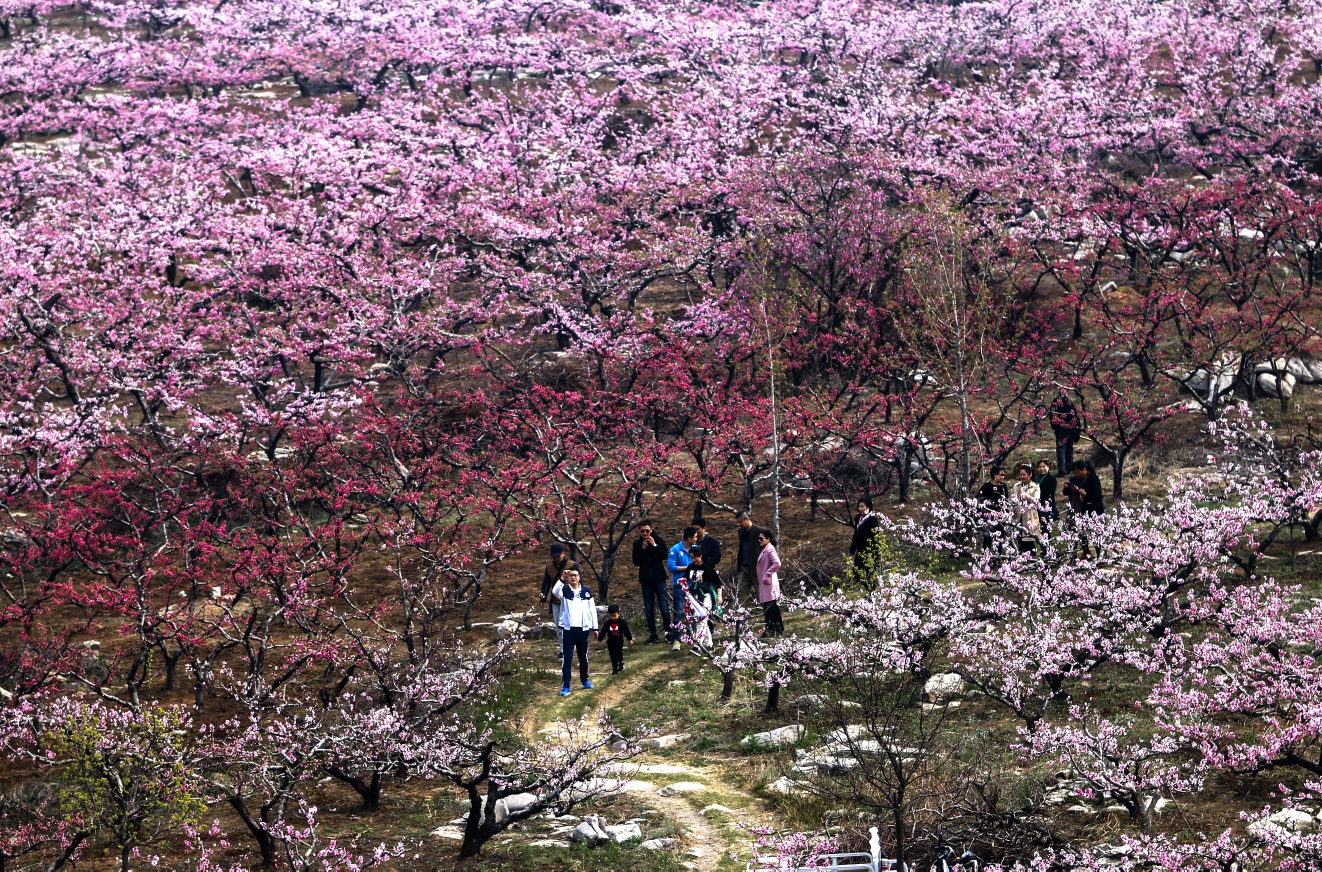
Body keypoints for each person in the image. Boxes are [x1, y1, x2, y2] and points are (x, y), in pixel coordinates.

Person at [550, 569, 597, 696]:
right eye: (570, 575)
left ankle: (585, 680)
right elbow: (554, 592)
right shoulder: (564, 591)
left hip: (583, 629)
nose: (573, 577)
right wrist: (562, 578)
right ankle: (566, 685)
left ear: (579, 577)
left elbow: (592, 610)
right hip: (569, 629)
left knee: (583, 656)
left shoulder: (586, 592)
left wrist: (595, 627)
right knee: (567, 658)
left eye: (575, 575)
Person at [631, 522, 670, 644]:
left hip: (659, 579)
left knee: (664, 608)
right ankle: (653, 634)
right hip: (646, 581)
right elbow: (636, 561)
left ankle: (669, 633)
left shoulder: (658, 540)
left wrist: (654, 545)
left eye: (647, 531)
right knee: (649, 609)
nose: (644, 533)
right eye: (642, 531)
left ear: (651, 530)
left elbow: (664, 555)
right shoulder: (637, 544)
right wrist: (642, 549)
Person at [539, 544, 578, 659]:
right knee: (559, 626)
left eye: (557, 556)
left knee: (571, 624)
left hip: (570, 600)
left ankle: (572, 646)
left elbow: (579, 581)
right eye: (553, 556)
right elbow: (546, 583)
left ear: (563, 554)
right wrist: (543, 598)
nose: (555, 558)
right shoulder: (549, 567)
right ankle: (563, 649)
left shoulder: (572, 564)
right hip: (556, 600)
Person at [681, 547, 722, 653]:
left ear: (701, 555)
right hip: (694, 597)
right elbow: (685, 578)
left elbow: (718, 584)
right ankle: (710, 645)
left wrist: (719, 596)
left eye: (695, 557)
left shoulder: (708, 568)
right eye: (692, 558)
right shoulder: (690, 567)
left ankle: (698, 646)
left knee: (701, 619)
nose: (693, 560)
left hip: (706, 596)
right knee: (702, 621)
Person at [666, 527, 698, 651]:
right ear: (689, 538)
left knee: (693, 612)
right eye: (695, 537)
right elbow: (671, 567)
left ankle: (693, 638)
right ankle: (677, 639)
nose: (696, 539)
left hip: (693, 585)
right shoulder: (675, 549)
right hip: (679, 585)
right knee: (679, 612)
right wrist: (687, 568)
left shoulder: (696, 549)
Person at [755, 530, 783, 636]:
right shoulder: (766, 549)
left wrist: (767, 574)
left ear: (768, 539)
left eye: (761, 538)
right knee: (771, 607)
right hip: (766, 583)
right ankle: (775, 628)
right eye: (758, 538)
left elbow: (777, 563)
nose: (759, 540)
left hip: (769, 583)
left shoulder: (770, 549)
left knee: (770, 607)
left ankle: (772, 629)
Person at [735, 511, 769, 600]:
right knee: (741, 593)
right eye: (737, 522)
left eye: (740, 522)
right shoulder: (740, 531)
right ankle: (741, 612)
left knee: (761, 593)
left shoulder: (760, 532)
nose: (739, 524)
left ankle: (768, 612)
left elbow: (768, 549)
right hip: (743, 567)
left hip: (757, 568)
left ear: (747, 519)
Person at [1010, 464, 1041, 552]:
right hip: (1017, 515)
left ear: (1030, 474)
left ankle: (1031, 560)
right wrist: (1012, 510)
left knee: (1029, 540)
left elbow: (1036, 500)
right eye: (1021, 475)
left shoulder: (1035, 486)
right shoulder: (1016, 486)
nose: (1022, 477)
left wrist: (1025, 495)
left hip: (1029, 516)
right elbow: (1012, 499)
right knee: (1019, 539)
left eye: (1024, 475)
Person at [976, 467, 1009, 548]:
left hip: (1000, 515)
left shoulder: (1003, 486)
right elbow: (978, 499)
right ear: (995, 475)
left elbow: (1006, 500)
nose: (1003, 477)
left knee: (999, 537)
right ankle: (986, 556)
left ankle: (998, 558)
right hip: (988, 515)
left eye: (1004, 475)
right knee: (987, 537)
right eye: (1001, 475)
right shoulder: (986, 486)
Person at [1050, 392, 1081, 476]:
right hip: (1070, 429)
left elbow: (1052, 416)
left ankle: (1062, 470)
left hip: (1061, 430)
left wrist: (1055, 428)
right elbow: (1075, 416)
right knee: (1069, 449)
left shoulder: (1055, 403)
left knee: (1061, 450)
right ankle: (1069, 468)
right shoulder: (1070, 402)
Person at [597, 605, 633, 674]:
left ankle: (621, 662)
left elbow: (626, 631)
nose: (613, 618)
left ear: (618, 614)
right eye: (611, 616)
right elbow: (603, 631)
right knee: (612, 654)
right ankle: (615, 668)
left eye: (614, 615)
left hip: (619, 640)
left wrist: (629, 639)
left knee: (617, 652)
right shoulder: (608, 623)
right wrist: (600, 639)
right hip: (610, 641)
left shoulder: (621, 622)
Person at [849, 497, 882, 571]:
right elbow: (856, 535)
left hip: (869, 551)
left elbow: (874, 537)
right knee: (856, 572)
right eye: (859, 506)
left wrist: (875, 555)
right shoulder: (858, 518)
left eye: (862, 506)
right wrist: (852, 550)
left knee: (867, 574)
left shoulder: (872, 520)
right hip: (860, 549)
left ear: (868, 507)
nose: (860, 508)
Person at [1034, 459, 1058, 525]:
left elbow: (1050, 493)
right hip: (1036, 503)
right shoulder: (1036, 478)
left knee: (1045, 525)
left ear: (1048, 467)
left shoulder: (1051, 479)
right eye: (1040, 467)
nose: (1042, 469)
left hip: (1046, 504)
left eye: (1044, 466)